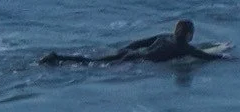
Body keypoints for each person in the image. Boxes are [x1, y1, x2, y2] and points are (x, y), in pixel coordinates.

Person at [41, 19, 211, 66]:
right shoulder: (184, 47)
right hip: (135, 60)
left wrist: (124, 49)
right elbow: (208, 57)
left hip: (129, 53)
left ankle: (59, 57)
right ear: (189, 34)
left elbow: (139, 42)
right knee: (95, 64)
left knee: (97, 61)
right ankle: (57, 58)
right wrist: (231, 59)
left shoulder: (165, 36)